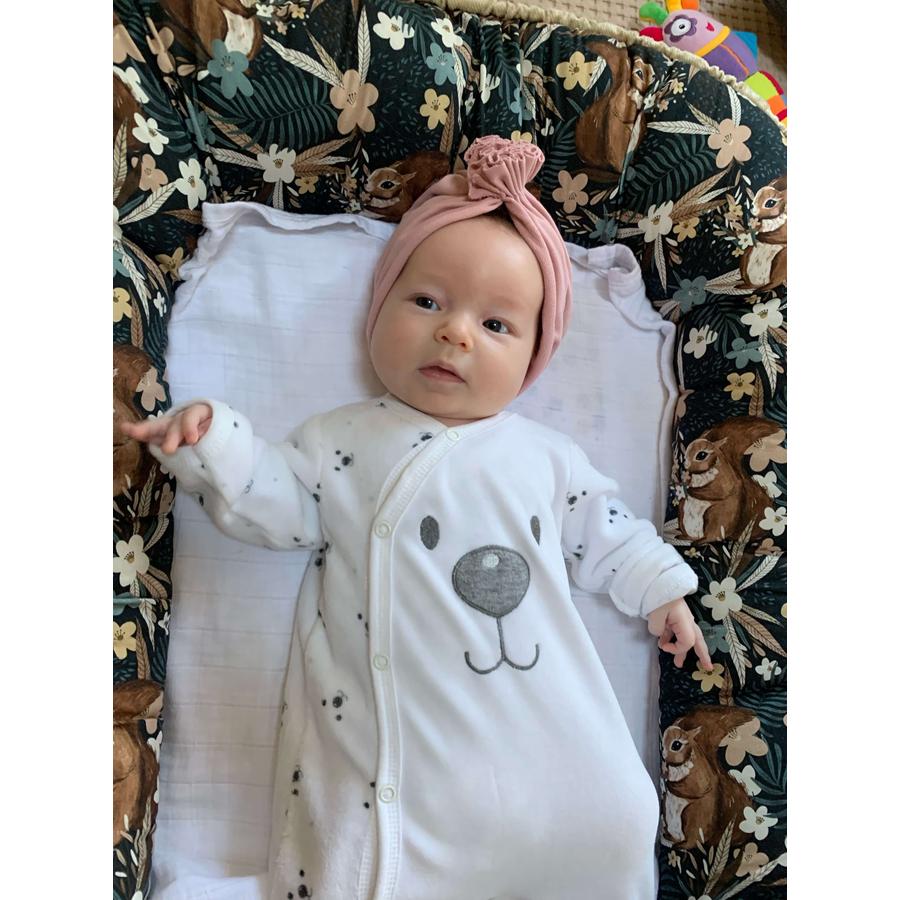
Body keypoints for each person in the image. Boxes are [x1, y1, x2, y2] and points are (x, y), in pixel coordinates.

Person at [122, 135, 712, 900]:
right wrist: (217, 440)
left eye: (496, 326)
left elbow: (606, 526)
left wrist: (662, 592)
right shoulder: (341, 438)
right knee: (363, 857)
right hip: (395, 761)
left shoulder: (543, 456)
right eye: (427, 302)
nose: (455, 332)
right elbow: (276, 503)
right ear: (379, 310)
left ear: (535, 356)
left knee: (602, 822)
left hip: (538, 735)